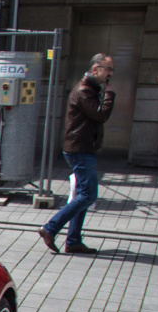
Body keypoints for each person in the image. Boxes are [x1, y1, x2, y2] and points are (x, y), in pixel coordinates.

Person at [39, 53, 116, 255]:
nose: (111, 73)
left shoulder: (91, 89)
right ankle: (50, 228)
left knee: (83, 195)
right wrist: (110, 95)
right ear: (95, 69)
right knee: (88, 195)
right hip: (79, 149)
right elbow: (101, 114)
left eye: (111, 70)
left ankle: (73, 240)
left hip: (83, 148)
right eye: (108, 69)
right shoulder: (84, 90)